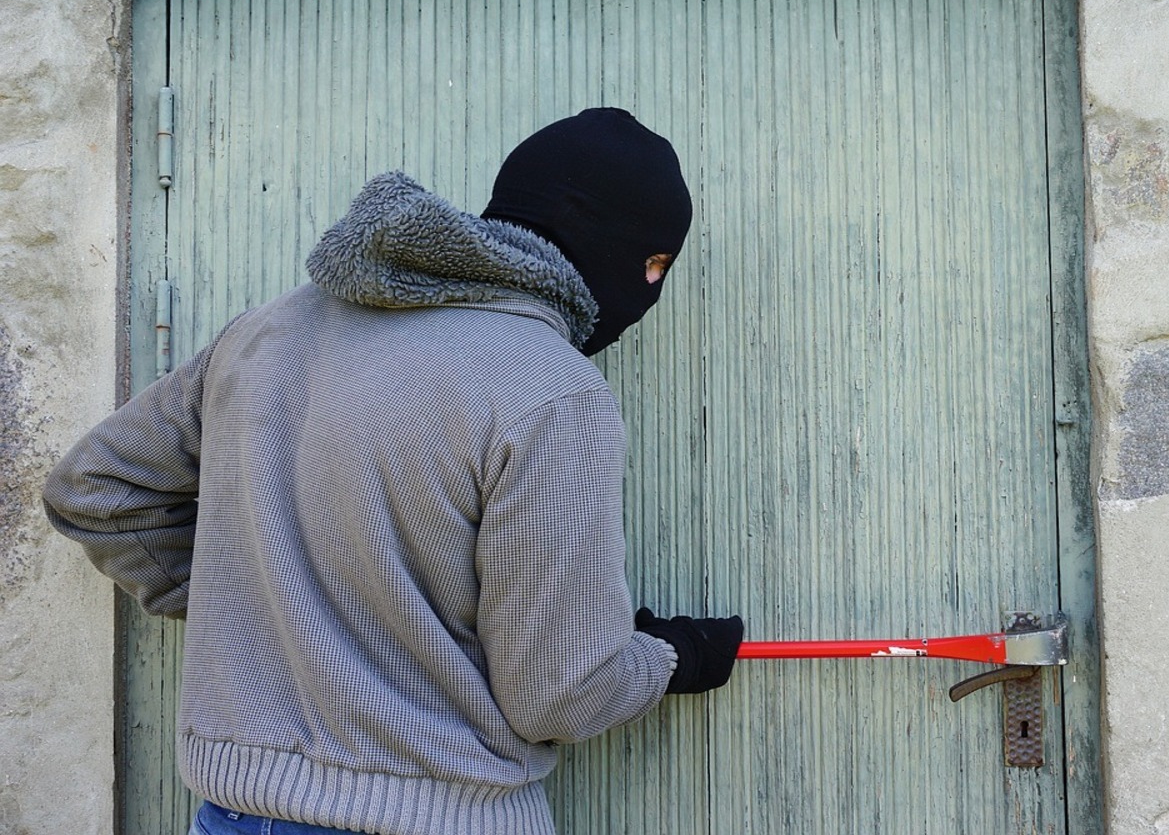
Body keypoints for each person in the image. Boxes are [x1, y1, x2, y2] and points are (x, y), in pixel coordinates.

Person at [43, 108, 743, 835]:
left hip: (234, 817)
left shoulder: (267, 332)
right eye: (654, 263)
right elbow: (561, 694)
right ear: (600, 238)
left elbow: (96, 491)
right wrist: (675, 656)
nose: (650, 290)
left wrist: (271, 598)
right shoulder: (552, 390)